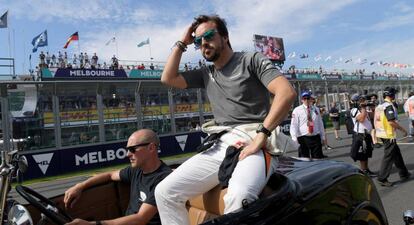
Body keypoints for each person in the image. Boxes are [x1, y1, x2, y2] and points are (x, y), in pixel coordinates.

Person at [155, 14, 296, 225]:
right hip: (221, 142)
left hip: (255, 139)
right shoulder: (205, 73)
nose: (203, 43)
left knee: (239, 196)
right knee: (165, 192)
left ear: (225, 37)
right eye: (198, 41)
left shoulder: (251, 59)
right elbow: (167, 78)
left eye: (209, 36)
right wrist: (182, 43)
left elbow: (286, 93)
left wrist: (262, 135)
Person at [64, 129, 172, 225]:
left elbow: (141, 219)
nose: (127, 154)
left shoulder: (163, 179)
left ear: (151, 148)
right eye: (127, 149)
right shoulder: (135, 170)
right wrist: (80, 186)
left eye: (132, 149)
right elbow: (109, 175)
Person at [375, 87, 411, 187]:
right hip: (388, 134)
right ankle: (382, 178)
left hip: (381, 133)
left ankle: (404, 173)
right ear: (391, 95)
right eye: (394, 94)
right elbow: (391, 121)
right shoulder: (388, 106)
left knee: (396, 153)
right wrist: (403, 130)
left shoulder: (380, 105)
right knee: (389, 156)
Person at [290, 91, 325, 159]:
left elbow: (320, 123)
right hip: (303, 138)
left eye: (308, 98)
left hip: (315, 137)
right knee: (304, 160)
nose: (306, 100)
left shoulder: (316, 109)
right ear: (301, 100)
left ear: (311, 99)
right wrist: (294, 138)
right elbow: (294, 125)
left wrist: (323, 136)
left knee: (318, 160)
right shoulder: (297, 110)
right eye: (304, 98)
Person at [349, 94, 376, 177]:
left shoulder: (362, 109)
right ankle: (364, 170)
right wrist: (364, 108)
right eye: (361, 100)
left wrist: (373, 108)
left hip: (366, 134)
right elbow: (361, 119)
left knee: (366, 153)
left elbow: (372, 116)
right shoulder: (354, 110)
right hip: (360, 135)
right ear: (356, 102)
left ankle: (366, 169)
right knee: (362, 155)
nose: (363, 101)